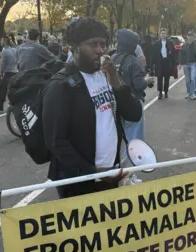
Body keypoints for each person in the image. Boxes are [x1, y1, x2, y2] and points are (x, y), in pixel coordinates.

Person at [41, 17, 142, 199]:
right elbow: (56, 141)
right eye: (93, 45)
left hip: (110, 173)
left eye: (103, 44)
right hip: (78, 181)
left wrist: (116, 80)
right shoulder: (61, 86)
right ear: (74, 47)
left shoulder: (106, 75)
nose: (100, 51)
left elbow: (134, 114)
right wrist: (93, 173)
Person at [112, 28, 154, 184]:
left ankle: (118, 173)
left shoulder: (113, 58)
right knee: (134, 141)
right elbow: (138, 84)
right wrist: (148, 80)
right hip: (133, 104)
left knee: (118, 140)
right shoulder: (133, 61)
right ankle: (130, 176)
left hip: (115, 106)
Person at [0, 37, 17, 111]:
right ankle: (9, 105)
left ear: (4, 42)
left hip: (8, 72)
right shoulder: (13, 49)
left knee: (3, 89)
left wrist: (1, 72)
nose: (0, 42)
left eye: (1, 40)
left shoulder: (5, 51)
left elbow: (3, 64)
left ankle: (2, 106)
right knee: (11, 89)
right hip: (15, 71)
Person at [152, 28, 175, 100]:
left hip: (167, 61)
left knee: (167, 78)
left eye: (164, 33)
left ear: (166, 34)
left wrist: (173, 61)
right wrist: (152, 64)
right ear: (160, 34)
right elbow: (154, 54)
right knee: (159, 77)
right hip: (159, 62)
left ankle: (166, 92)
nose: (163, 35)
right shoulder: (156, 43)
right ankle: (160, 92)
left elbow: (173, 53)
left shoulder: (170, 42)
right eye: (162, 33)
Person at [178, 32, 196, 100]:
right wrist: (180, 63)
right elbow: (180, 55)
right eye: (189, 36)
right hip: (186, 64)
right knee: (187, 80)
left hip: (193, 64)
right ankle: (188, 92)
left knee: (192, 78)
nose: (190, 37)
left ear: (193, 37)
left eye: (192, 36)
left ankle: (192, 93)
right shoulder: (184, 45)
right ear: (187, 37)